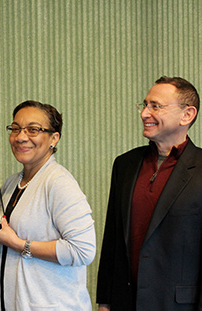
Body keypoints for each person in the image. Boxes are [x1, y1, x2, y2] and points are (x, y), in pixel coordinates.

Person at [0, 100, 96, 310]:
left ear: (53, 139)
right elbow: (3, 241)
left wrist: (20, 244)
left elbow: (83, 250)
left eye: (33, 129)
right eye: (16, 128)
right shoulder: (11, 183)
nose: (21, 137)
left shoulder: (59, 182)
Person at [97, 76, 202, 310]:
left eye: (156, 106)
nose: (145, 113)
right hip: (126, 303)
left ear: (187, 114)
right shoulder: (125, 164)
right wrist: (105, 301)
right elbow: (113, 240)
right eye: (145, 105)